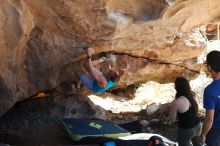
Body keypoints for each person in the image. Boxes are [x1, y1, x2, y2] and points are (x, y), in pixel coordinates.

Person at [169, 77, 201, 146]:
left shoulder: (177, 102)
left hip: (186, 129)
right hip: (198, 125)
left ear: (176, 87)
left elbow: (172, 119)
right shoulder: (192, 95)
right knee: (197, 144)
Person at [200, 50, 220, 146]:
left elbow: (209, 119)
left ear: (209, 67)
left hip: (215, 132)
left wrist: (203, 134)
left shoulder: (209, 90)